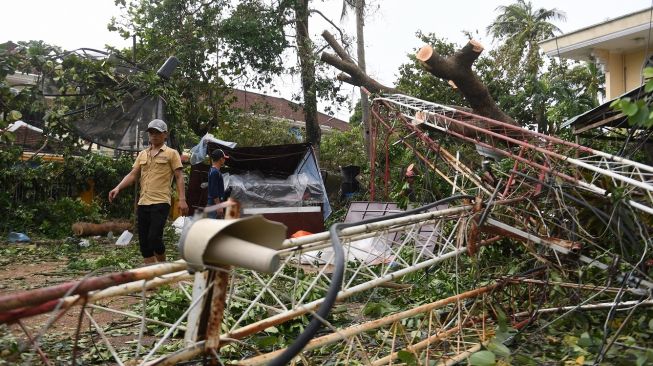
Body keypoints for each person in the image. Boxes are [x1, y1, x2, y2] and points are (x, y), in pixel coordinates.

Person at [108, 119, 188, 264]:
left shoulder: (172, 153)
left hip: (161, 202)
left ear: (165, 134)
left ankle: (163, 267)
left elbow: (179, 177)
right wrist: (118, 187)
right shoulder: (143, 154)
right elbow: (133, 175)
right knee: (144, 243)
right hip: (143, 202)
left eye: (157, 132)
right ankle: (151, 277)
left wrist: (182, 200)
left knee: (154, 238)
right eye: (151, 132)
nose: (153, 135)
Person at [207, 148, 229, 218]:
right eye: (224, 158)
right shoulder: (215, 172)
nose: (225, 160)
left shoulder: (212, 170)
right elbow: (214, 191)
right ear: (221, 159)